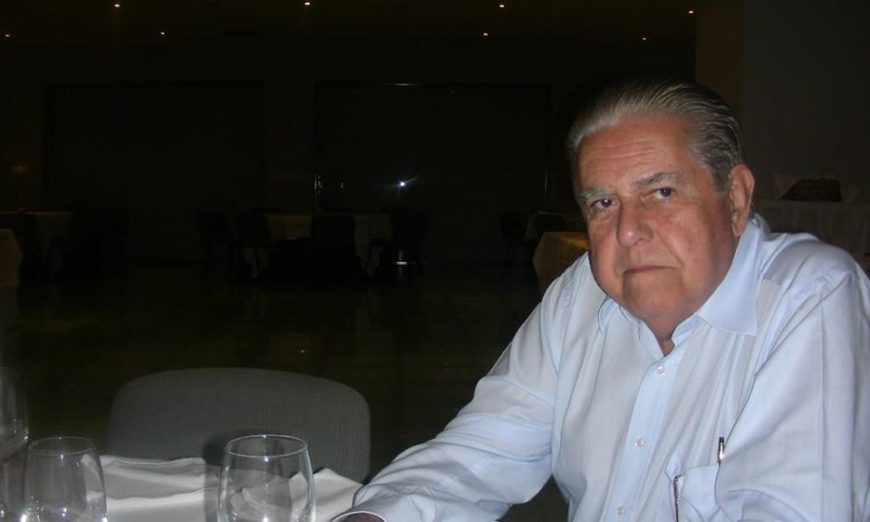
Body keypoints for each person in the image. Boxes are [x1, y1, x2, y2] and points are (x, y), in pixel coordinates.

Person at [335, 79, 870, 521]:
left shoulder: (810, 295)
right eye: (603, 203)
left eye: (661, 192)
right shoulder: (584, 293)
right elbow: (484, 451)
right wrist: (378, 516)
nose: (629, 230)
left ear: (734, 198)